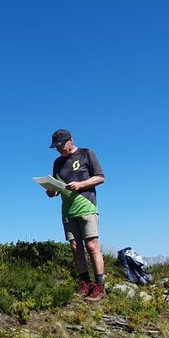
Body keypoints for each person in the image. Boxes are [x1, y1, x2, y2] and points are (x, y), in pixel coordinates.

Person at [45, 128, 107, 301]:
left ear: (71, 140)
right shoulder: (57, 163)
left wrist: (81, 185)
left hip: (86, 206)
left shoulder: (87, 153)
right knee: (75, 247)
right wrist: (50, 191)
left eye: (61, 145)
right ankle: (85, 284)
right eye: (56, 147)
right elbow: (56, 189)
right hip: (68, 210)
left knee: (92, 246)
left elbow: (100, 177)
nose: (59, 149)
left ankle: (100, 287)